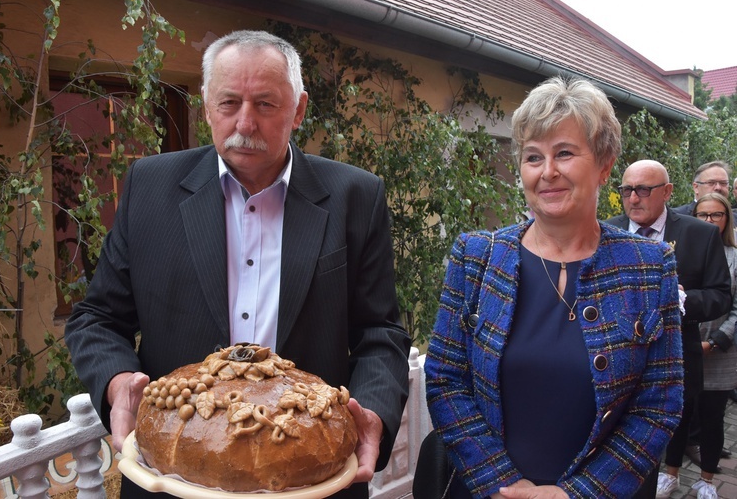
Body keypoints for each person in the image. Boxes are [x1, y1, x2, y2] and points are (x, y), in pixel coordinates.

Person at [64, 30, 411, 499]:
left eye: (266, 104)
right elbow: (97, 317)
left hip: (313, 480)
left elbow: (380, 334)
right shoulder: (150, 187)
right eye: (229, 103)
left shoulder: (357, 196)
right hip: (174, 479)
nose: (245, 122)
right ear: (206, 105)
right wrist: (117, 381)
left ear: (299, 109)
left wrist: (371, 410)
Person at [424, 76, 685, 498]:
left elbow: (660, 402)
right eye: (532, 157)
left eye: (564, 153)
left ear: (604, 164)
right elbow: (444, 380)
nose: (547, 172)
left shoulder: (650, 265)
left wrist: (577, 494)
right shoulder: (476, 257)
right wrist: (502, 483)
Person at [606, 160, 732, 498]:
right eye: (627, 190)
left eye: (643, 190)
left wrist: (680, 301)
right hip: (616, 364)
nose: (634, 198)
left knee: (653, 451)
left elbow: (721, 295)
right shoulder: (606, 230)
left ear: (667, 192)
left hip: (672, 364)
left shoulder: (699, 233)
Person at [685, 193, 737, 499]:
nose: (708, 221)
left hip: (720, 352)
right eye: (702, 215)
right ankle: (672, 472)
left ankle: (706, 480)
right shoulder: (684, 251)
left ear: (726, 219)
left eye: (716, 215)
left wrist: (715, 342)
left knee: (712, 417)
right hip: (686, 347)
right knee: (681, 417)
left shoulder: (734, 255)